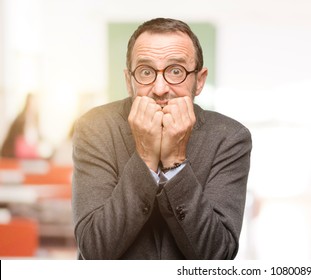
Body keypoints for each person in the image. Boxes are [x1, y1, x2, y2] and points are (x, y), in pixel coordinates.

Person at [72, 18, 252, 259]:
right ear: (129, 81)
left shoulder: (229, 138)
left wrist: (175, 161)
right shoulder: (95, 128)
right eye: (146, 72)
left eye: (175, 71)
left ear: (199, 81)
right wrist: (145, 158)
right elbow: (94, 250)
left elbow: (218, 255)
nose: (159, 88)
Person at [1, 93, 41, 159]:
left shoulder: (35, 121)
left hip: (27, 156)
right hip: (13, 157)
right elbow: (17, 143)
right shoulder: (20, 120)